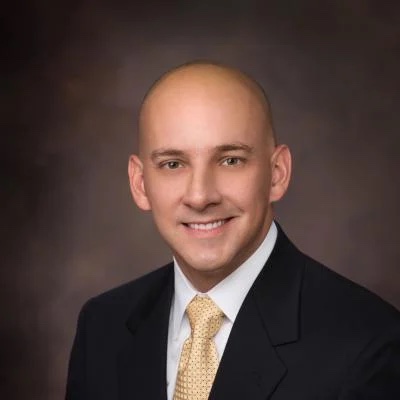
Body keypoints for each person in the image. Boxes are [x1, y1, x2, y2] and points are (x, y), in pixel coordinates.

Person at [66, 61, 400, 400]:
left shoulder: (369, 344)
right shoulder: (102, 327)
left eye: (230, 160)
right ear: (139, 184)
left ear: (277, 173)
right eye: (173, 164)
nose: (200, 196)